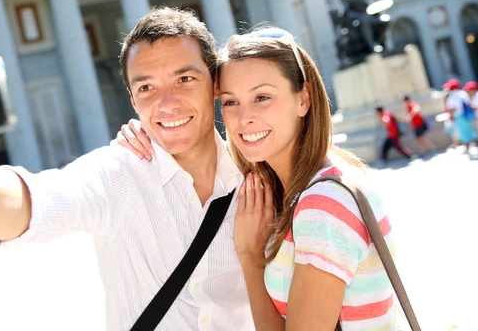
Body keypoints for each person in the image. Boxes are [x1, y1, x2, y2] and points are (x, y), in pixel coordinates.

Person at [0, 8, 256, 330]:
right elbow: (34, 202)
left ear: (215, 85)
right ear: (132, 100)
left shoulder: (261, 178)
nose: (167, 103)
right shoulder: (117, 173)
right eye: (147, 88)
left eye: (184, 79)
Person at [117, 27, 397, 329]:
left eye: (262, 97)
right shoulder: (307, 182)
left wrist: (251, 257)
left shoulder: (323, 206)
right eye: (230, 102)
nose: (244, 117)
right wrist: (154, 131)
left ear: (303, 99)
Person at [444, 78, 477, 152]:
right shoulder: (463, 93)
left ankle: (467, 149)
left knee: (464, 133)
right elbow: (469, 103)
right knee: (470, 131)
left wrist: (451, 116)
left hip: (459, 116)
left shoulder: (452, 96)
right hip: (468, 115)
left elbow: (451, 108)